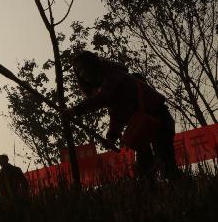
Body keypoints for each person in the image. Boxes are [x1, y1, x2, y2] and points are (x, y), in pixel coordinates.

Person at [65, 50, 180, 181]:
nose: (82, 73)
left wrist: (76, 110)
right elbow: (117, 113)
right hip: (142, 126)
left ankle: (182, 193)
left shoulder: (113, 75)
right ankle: (154, 197)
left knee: (166, 164)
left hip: (158, 118)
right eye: (78, 71)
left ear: (92, 64)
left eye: (83, 68)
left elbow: (103, 98)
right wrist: (112, 136)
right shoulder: (106, 83)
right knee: (144, 170)